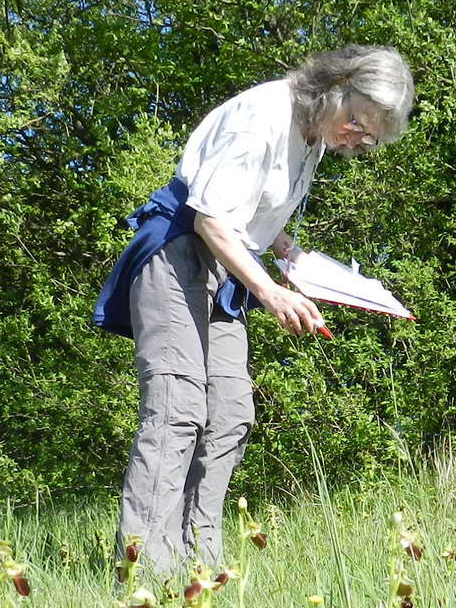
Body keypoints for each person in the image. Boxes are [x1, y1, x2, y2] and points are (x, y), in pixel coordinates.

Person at [93, 45, 414, 572]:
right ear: (335, 89)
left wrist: (288, 252)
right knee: (178, 408)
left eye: (371, 135)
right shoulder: (262, 115)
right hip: (179, 255)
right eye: (358, 122)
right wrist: (271, 292)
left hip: (224, 269)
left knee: (230, 415)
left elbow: (252, 207)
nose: (357, 139)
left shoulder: (312, 135)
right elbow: (211, 219)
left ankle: (200, 560)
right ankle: (145, 569)